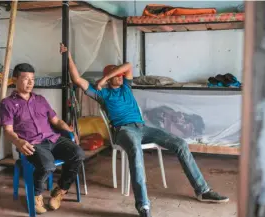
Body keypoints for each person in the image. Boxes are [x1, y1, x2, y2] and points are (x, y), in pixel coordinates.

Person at [60, 44, 229, 217]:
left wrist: (106, 77)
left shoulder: (126, 86)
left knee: (180, 144)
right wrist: (68, 56)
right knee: (135, 150)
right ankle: (143, 205)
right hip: (124, 131)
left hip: (142, 128)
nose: (120, 75)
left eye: (119, 74)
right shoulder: (101, 94)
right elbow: (77, 79)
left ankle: (203, 190)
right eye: (115, 74)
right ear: (108, 78)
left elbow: (127, 65)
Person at [0, 63, 85, 214]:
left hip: (53, 139)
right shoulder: (7, 104)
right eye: (26, 79)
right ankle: (35, 195)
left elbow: (56, 121)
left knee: (78, 153)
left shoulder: (40, 100)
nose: (31, 82)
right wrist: (18, 141)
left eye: (32, 78)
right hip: (32, 144)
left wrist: (70, 131)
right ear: (15, 79)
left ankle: (60, 190)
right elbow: (7, 131)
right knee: (47, 166)